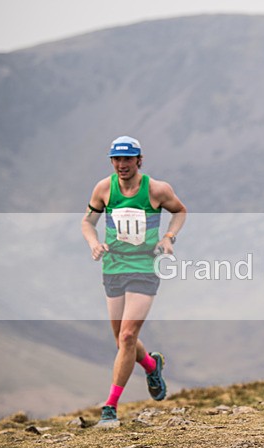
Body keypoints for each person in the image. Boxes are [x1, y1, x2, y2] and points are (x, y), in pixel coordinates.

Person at [81, 136, 187, 428]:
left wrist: (168, 237)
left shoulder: (156, 189)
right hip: (114, 267)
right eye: (116, 159)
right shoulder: (104, 189)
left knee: (128, 337)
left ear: (139, 160)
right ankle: (151, 365)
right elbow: (88, 222)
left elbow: (180, 211)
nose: (122, 164)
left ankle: (110, 407)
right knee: (121, 340)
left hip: (144, 267)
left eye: (127, 159)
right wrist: (94, 243)